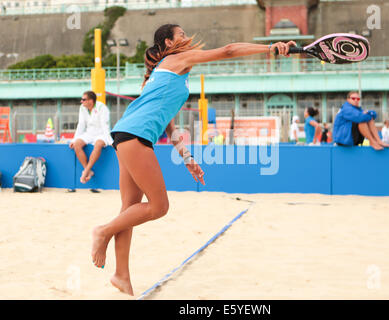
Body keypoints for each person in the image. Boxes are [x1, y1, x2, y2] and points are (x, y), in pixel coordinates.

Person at [90, 23, 296, 295]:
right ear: (167, 43)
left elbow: (169, 125)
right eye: (182, 35)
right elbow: (228, 50)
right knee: (159, 206)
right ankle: (102, 231)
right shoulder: (177, 59)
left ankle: (121, 276)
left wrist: (187, 157)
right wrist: (270, 48)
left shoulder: (166, 71)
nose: (187, 38)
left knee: (129, 210)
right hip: (135, 136)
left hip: (127, 134)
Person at [69, 91, 113, 189]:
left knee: (98, 145)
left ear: (91, 101)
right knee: (77, 144)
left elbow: (105, 126)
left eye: (84, 99)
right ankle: (88, 171)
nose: (81, 101)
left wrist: (110, 141)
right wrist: (74, 139)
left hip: (101, 134)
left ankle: (85, 172)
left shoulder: (102, 108)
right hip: (89, 133)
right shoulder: (82, 108)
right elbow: (81, 125)